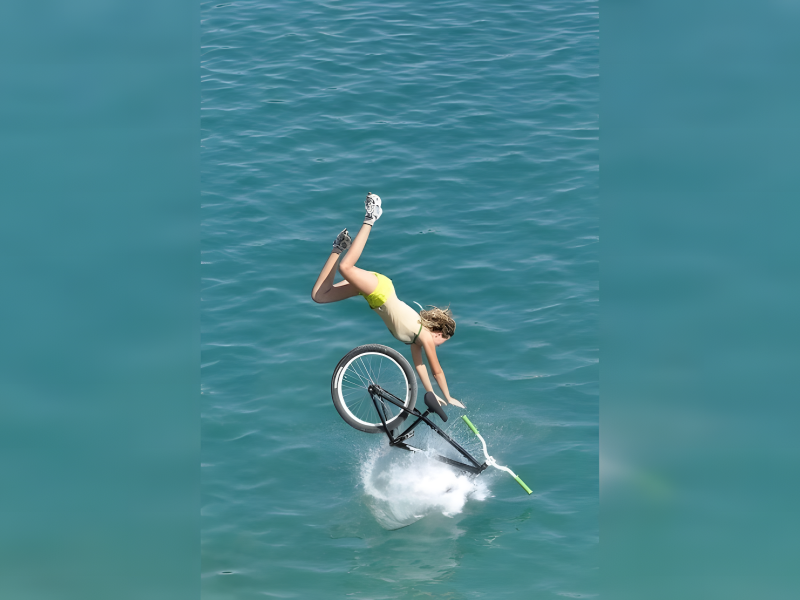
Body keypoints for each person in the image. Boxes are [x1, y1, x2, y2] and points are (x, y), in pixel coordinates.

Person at [311, 193, 465, 408]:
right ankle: (371, 217)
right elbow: (436, 370)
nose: (438, 345)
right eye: (442, 342)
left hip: (372, 295)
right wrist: (448, 397)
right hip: (381, 290)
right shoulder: (425, 336)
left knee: (319, 296)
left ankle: (338, 247)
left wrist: (432, 394)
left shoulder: (415, 340)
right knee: (346, 268)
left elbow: (420, 366)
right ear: (438, 333)